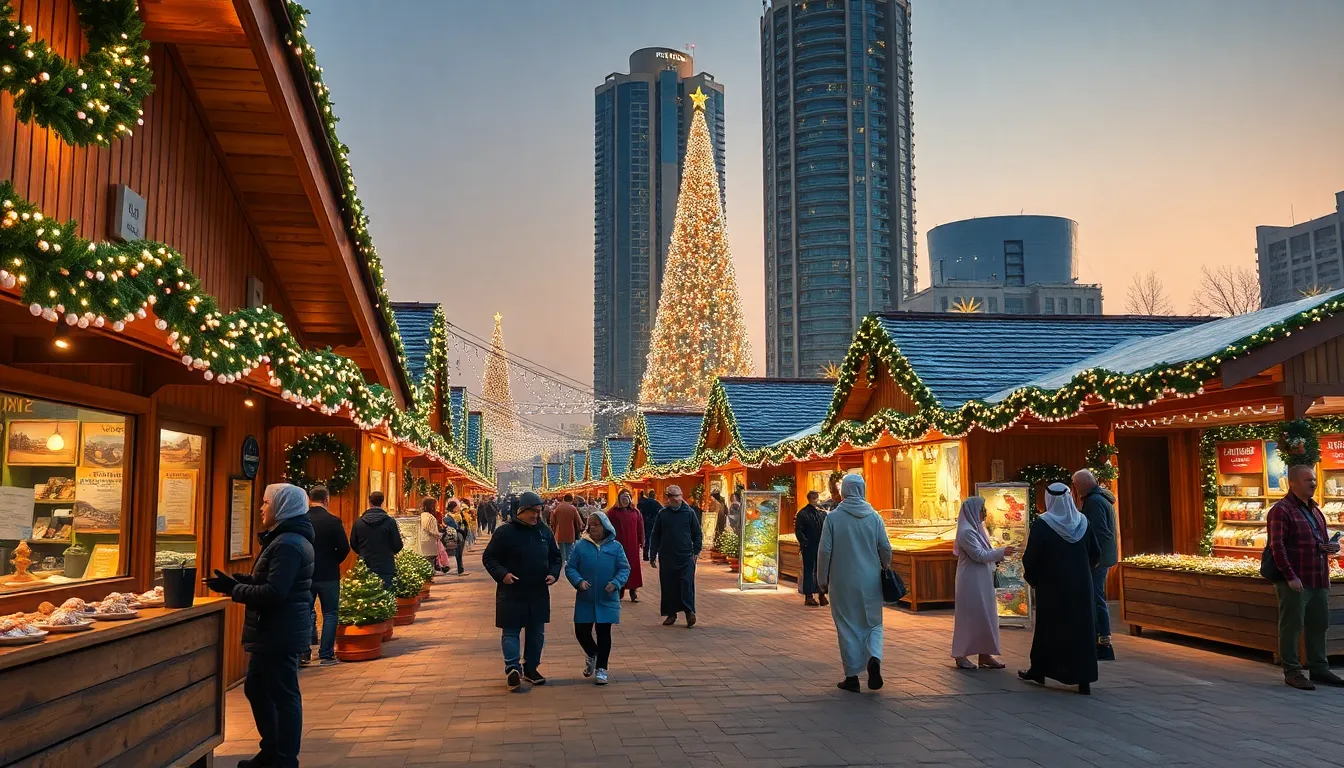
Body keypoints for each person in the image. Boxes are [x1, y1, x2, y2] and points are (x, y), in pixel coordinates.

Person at [207, 484, 315, 768]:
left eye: (266, 502)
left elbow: (275, 593)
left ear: (282, 507)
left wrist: (234, 590)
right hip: (275, 630)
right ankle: (272, 751)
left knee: (284, 694)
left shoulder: (288, 543)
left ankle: (283, 758)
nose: (261, 508)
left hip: (278, 631)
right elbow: (275, 580)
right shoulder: (284, 539)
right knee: (257, 688)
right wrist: (239, 581)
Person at [1018, 483, 1100, 695]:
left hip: (1052, 587)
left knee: (1050, 629)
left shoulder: (1043, 524)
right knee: (1081, 630)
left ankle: (1041, 670)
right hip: (1081, 586)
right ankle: (1084, 679)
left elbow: (1031, 557)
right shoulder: (1083, 522)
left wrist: (1033, 579)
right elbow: (1095, 554)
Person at [1267, 464, 1344, 690]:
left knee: (1319, 624)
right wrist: (1290, 576)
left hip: (1318, 578)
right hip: (1295, 581)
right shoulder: (1281, 510)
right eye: (1307, 480)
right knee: (1291, 625)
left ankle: (1319, 668)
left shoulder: (1315, 510)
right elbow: (1277, 546)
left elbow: (1315, 543)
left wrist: (1329, 547)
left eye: (1314, 480)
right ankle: (1292, 671)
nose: (1313, 483)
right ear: (1292, 483)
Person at [817, 474, 892, 693]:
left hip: (842, 581)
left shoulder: (833, 518)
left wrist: (822, 579)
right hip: (870, 580)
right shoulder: (874, 517)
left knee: (847, 626)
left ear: (844, 491)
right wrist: (885, 566)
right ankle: (874, 658)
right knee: (874, 623)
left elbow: (825, 551)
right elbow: (885, 548)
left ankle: (851, 676)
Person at [482, 491, 562, 690]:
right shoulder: (505, 532)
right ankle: (512, 669)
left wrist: (554, 573)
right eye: (532, 512)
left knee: (537, 633)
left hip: (537, 590)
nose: (536, 515)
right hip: (512, 590)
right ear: (520, 511)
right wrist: (503, 575)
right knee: (511, 631)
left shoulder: (544, 532)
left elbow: (556, 557)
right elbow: (490, 558)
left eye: (539, 511)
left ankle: (531, 668)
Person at [565, 510, 631, 686]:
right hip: (585, 598)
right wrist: (578, 582)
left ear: (605, 527)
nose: (592, 527)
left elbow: (624, 568)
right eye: (590, 524)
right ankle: (592, 653)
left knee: (604, 633)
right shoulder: (580, 546)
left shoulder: (616, 547)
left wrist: (616, 583)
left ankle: (602, 668)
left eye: (596, 524)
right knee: (581, 632)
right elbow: (570, 567)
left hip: (606, 597)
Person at [951, 496, 1016, 670]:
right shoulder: (967, 531)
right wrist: (1002, 552)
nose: (984, 514)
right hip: (971, 580)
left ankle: (985, 654)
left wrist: (998, 554)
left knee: (986, 615)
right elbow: (979, 555)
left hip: (982, 577)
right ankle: (961, 654)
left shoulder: (978, 529)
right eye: (982, 510)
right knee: (970, 615)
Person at [1072, 469, 1118, 660]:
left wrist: (1095, 556)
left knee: (1097, 597)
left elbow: (1100, 532)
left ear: (1080, 485)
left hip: (1098, 560)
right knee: (1096, 596)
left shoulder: (1095, 502)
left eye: (1075, 485)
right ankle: (1099, 638)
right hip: (1103, 557)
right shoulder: (1100, 499)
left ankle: (1103, 640)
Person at [303, 485, 349, 667]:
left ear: (309, 499)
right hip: (329, 574)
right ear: (327, 499)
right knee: (330, 614)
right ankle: (326, 654)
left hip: (305, 574)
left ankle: (303, 654)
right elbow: (344, 548)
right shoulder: (333, 521)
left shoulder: (301, 520)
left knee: (305, 613)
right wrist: (333, 560)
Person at [649, 485, 703, 627]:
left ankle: (689, 612)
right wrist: (652, 554)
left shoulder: (689, 513)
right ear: (668, 498)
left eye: (679, 496)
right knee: (669, 585)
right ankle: (671, 614)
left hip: (685, 556)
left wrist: (696, 551)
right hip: (667, 556)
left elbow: (697, 534)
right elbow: (655, 535)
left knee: (686, 584)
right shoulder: (663, 514)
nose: (678, 499)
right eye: (674, 496)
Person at [349, 491, 402, 591]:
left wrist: (362, 552)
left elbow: (353, 543)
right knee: (385, 595)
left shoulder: (359, 522)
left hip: (365, 563)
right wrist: (389, 552)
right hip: (385, 563)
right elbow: (397, 544)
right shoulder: (390, 522)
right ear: (382, 502)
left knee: (366, 595)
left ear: (369, 502)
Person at [606, 489, 645, 602]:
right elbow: (608, 527)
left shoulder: (635, 512)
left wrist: (642, 540)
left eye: (627, 497)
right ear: (619, 499)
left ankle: (633, 590)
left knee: (633, 567)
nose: (625, 500)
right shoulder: (612, 512)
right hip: (618, 544)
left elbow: (640, 526)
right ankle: (619, 589)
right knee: (618, 566)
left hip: (633, 545)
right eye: (623, 498)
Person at [794, 491, 828, 607]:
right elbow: (799, 531)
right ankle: (809, 596)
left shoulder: (821, 513)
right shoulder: (804, 513)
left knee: (819, 570)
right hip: (811, 547)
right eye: (814, 497)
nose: (816, 499)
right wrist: (805, 543)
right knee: (810, 570)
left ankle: (821, 593)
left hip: (819, 546)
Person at [551, 494, 584, 566]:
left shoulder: (558, 507)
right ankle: (569, 563)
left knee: (561, 550)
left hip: (559, 532)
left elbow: (552, 520)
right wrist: (580, 528)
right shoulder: (573, 508)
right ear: (571, 500)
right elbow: (579, 521)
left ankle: (562, 563)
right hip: (570, 532)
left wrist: (554, 529)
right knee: (569, 549)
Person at [419, 497, 443, 573]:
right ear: (432, 506)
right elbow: (433, 531)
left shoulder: (421, 515)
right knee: (430, 561)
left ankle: (427, 577)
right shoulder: (430, 517)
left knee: (425, 561)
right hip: (429, 542)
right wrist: (440, 535)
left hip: (422, 540)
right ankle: (428, 577)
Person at [638, 490, 662, 562]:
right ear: (654, 496)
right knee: (654, 538)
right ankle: (652, 554)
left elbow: (639, 509)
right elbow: (661, 511)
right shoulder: (656, 503)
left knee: (647, 539)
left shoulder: (644, 502)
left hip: (645, 522)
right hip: (653, 523)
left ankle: (645, 555)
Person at [443, 500, 465, 576]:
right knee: (458, 553)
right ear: (453, 508)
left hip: (456, 536)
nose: (458, 508)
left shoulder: (450, 515)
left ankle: (460, 569)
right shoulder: (449, 517)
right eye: (456, 507)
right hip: (455, 537)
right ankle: (459, 569)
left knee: (458, 553)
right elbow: (456, 527)